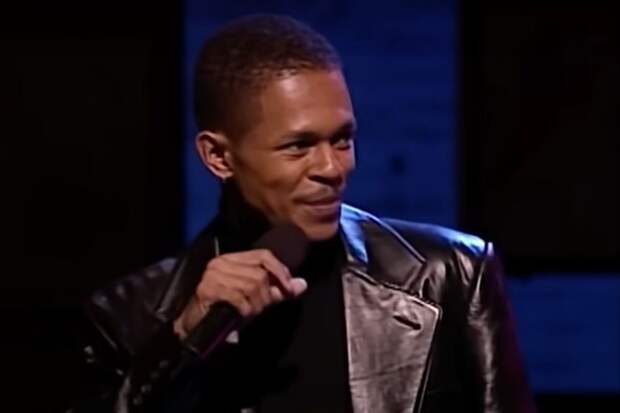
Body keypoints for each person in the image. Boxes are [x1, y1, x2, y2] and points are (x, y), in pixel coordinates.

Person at [64, 14, 536, 413]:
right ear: (219, 157)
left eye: (343, 139)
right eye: (299, 146)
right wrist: (184, 339)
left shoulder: (452, 274)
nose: (333, 168)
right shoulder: (129, 314)